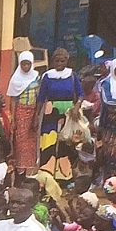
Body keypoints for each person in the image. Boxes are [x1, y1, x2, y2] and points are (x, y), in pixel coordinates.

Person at [37, 47, 84, 177]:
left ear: (67, 61)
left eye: (62, 61)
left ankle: (64, 176)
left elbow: (80, 94)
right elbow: (41, 97)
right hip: (51, 111)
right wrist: (36, 116)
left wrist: (76, 107)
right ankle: (47, 174)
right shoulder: (47, 76)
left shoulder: (72, 75)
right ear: (52, 61)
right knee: (49, 141)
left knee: (66, 142)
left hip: (69, 112)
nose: (59, 63)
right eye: (56, 61)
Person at [8, 50, 41, 176]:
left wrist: (36, 114)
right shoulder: (15, 79)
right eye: (23, 64)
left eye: (28, 64)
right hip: (20, 111)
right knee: (20, 141)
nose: (26, 66)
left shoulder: (36, 76)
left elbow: (38, 95)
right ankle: (19, 169)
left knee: (31, 141)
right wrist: (13, 118)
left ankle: (29, 169)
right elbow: (12, 99)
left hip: (33, 111)